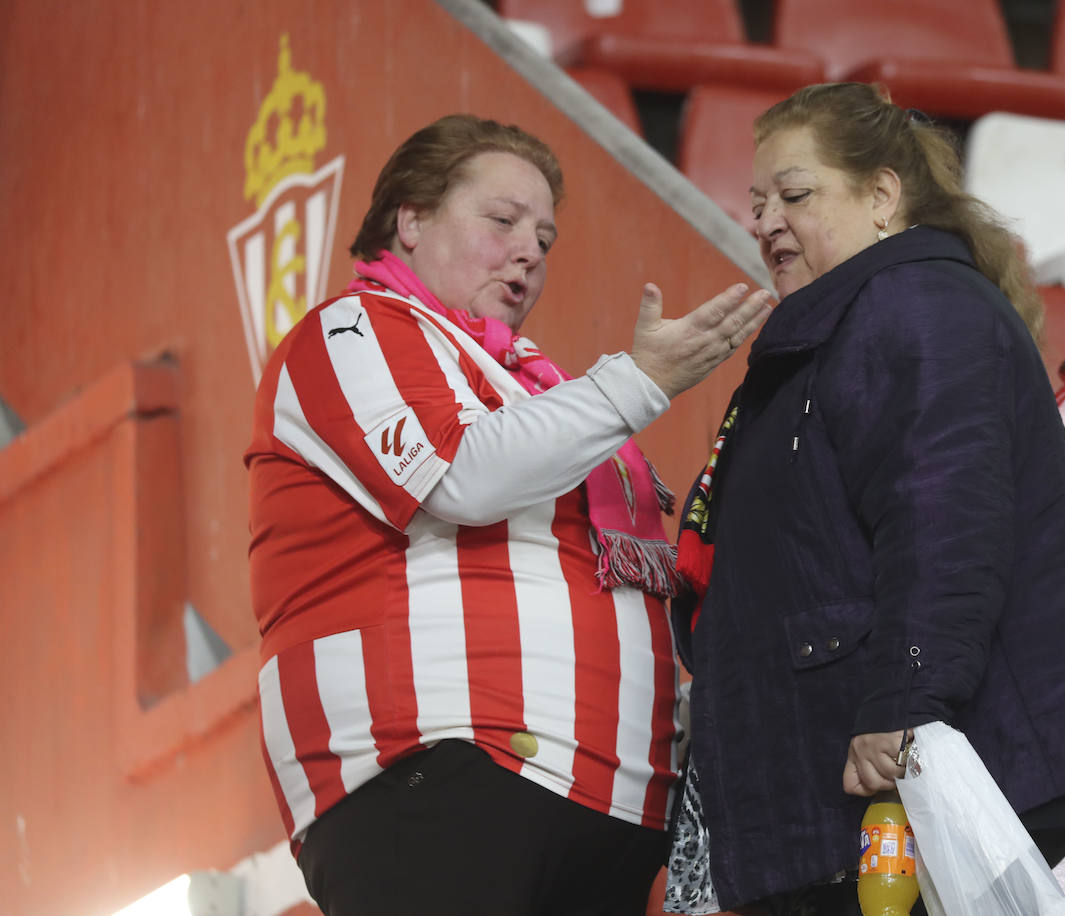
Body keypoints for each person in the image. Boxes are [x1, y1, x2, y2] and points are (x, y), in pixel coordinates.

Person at [243, 113, 771, 916]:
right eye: (502, 220)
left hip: (608, 818)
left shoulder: (541, 395)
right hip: (439, 784)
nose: (530, 250)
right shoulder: (350, 330)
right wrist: (638, 381)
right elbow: (457, 474)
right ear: (409, 220)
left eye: (546, 238)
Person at [665, 83, 1065, 916]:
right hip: (846, 764)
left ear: (883, 195)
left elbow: (946, 519)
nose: (765, 223)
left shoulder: (918, 303)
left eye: (794, 195)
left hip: (900, 760)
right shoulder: (857, 317)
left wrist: (905, 699)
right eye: (756, 204)